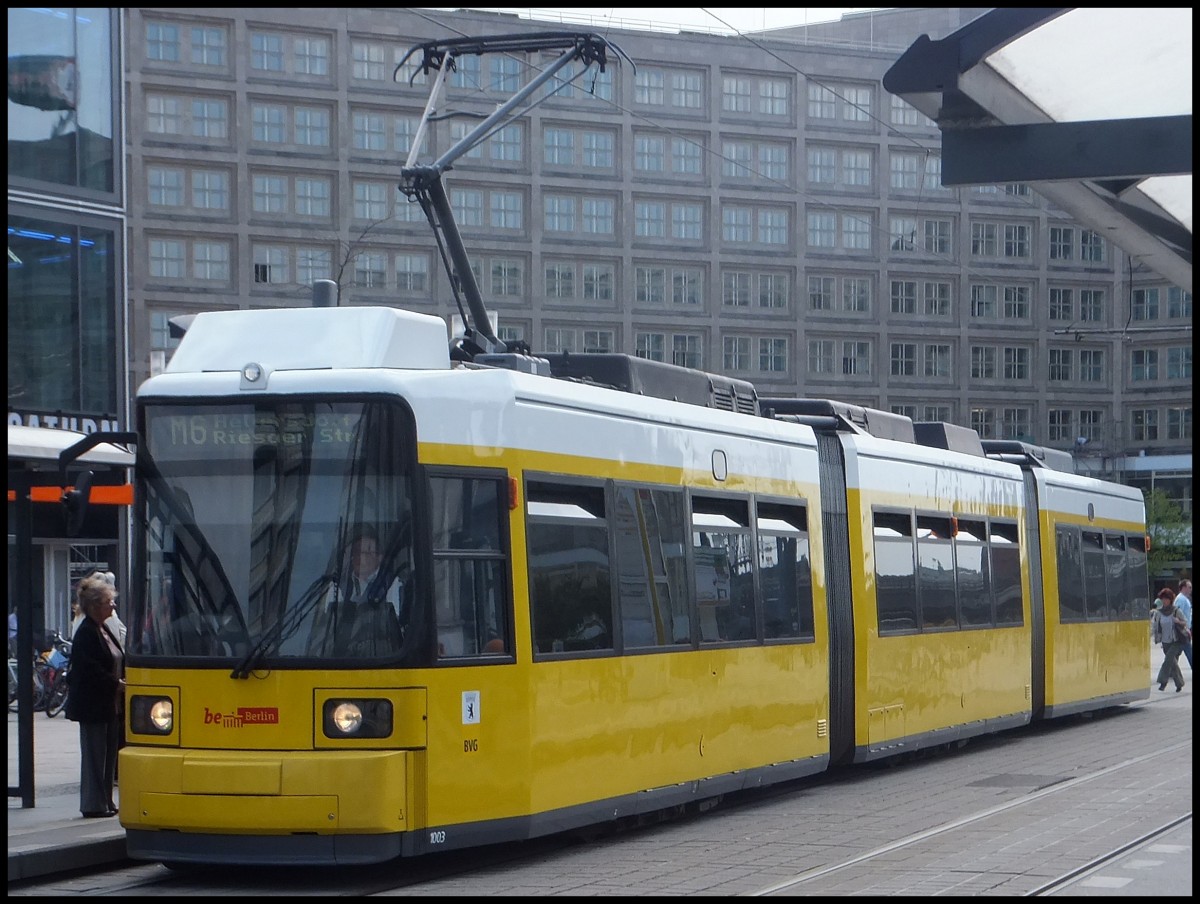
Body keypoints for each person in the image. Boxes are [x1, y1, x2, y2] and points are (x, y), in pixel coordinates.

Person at [65, 572, 124, 818]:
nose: (113, 604)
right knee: (95, 755)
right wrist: (116, 683)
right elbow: (89, 669)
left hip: (110, 703)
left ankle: (106, 801)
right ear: (95, 606)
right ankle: (93, 804)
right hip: (94, 704)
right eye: (108, 601)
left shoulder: (103, 629)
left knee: (109, 754)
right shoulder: (87, 632)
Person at [308, 526, 404, 657]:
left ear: (380, 557)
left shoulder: (394, 586)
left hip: (382, 660)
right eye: (357, 552)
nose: (362, 558)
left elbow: (398, 631)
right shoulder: (335, 588)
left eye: (368, 552)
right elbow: (324, 631)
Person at [1150, 589, 1186, 693]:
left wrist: (1178, 621)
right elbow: (1154, 627)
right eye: (1163, 599)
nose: (1165, 601)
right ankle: (1179, 683)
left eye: (1167, 599)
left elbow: (1185, 623)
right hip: (1165, 642)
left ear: (1171, 599)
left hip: (1175, 641)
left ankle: (1162, 681)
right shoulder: (1159, 613)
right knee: (1172, 663)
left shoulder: (1176, 611)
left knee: (1168, 660)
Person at [1174, 578, 1193, 670]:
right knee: (1188, 650)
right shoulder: (1181, 599)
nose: (1190, 589)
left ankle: (1170, 669)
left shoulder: (1183, 599)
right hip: (1183, 630)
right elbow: (1176, 614)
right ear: (1184, 587)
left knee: (1176, 652)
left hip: (1184, 629)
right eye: (1189, 587)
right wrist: (1184, 627)